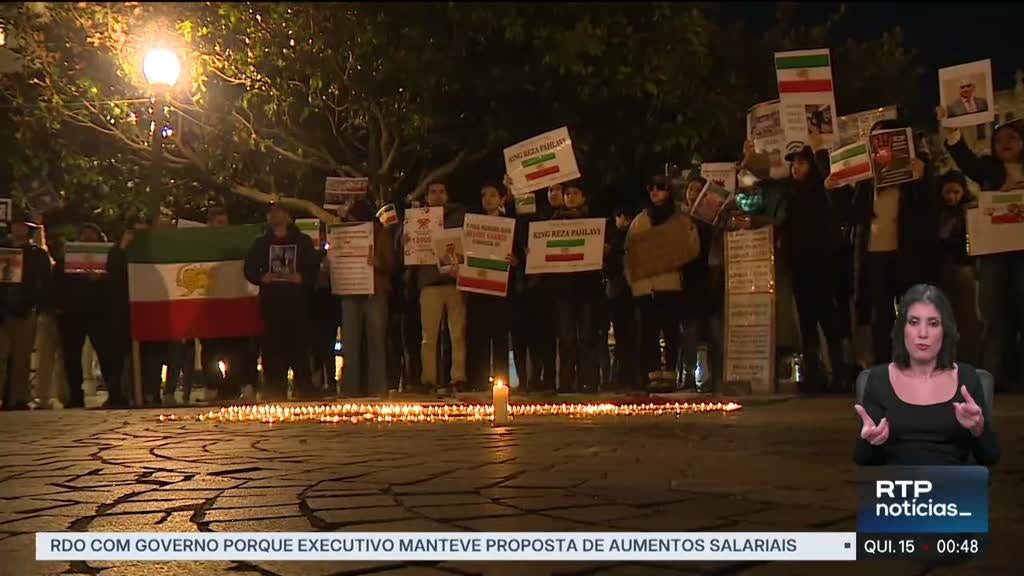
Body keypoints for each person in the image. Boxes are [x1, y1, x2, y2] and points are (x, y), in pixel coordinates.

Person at [853, 284, 999, 466]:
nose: (923, 333)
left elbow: (990, 457)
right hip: (897, 489)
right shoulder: (879, 378)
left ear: (945, 331)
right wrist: (870, 442)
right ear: (902, 329)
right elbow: (862, 460)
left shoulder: (966, 378)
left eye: (933, 323)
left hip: (952, 488)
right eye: (914, 322)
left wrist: (978, 429)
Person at [939, 111, 1024, 392]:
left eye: (1012, 138)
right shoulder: (989, 169)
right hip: (995, 254)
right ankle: (993, 375)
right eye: (999, 140)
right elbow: (967, 162)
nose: (1006, 143)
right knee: (994, 313)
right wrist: (951, 130)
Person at [781, 142, 849, 392]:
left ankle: (840, 371)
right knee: (807, 322)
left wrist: (820, 147)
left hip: (822, 263)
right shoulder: (791, 192)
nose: (795, 168)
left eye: (800, 162)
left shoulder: (822, 190)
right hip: (800, 265)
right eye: (793, 163)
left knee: (828, 318)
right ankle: (814, 373)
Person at [243, 203, 320, 401]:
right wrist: (262, 277)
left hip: (297, 303)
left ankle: (304, 386)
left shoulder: (302, 241)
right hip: (272, 303)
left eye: (278, 212)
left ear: (288, 216)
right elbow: (250, 268)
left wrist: (302, 277)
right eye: (271, 213)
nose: (274, 216)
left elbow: (313, 267)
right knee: (272, 347)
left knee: (299, 347)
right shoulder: (261, 243)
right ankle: (274, 387)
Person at [404, 180, 467, 395]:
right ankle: (428, 379)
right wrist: (403, 240)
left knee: (457, 333)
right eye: (433, 192)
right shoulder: (416, 218)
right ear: (427, 197)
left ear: (447, 196)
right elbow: (402, 247)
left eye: (442, 191)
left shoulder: (459, 217)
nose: (438, 195)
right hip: (429, 283)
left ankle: (458, 378)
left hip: (455, 282)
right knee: (428, 336)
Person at [626, 175, 687, 392]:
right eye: (651, 188)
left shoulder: (679, 219)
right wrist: (634, 283)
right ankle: (653, 375)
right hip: (645, 288)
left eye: (660, 188)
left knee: (671, 332)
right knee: (648, 334)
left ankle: (670, 375)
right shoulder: (640, 221)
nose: (655, 192)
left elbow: (690, 247)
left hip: (670, 285)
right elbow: (629, 254)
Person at [55, 222, 121, 409]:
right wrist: (59, 306)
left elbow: (117, 281)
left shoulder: (110, 259)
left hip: (99, 314)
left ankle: (114, 393)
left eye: (92, 236)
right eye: (84, 235)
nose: (87, 238)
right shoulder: (66, 259)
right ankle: (76, 395)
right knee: (72, 357)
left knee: (106, 355)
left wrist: (102, 278)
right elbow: (58, 280)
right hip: (72, 314)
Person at [549, 181, 603, 393]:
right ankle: (566, 382)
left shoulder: (593, 224)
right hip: (564, 289)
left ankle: (588, 381)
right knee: (566, 338)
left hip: (587, 288)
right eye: (567, 193)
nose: (570, 197)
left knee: (587, 337)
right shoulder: (552, 222)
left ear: (583, 197)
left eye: (575, 193)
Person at [338, 198, 395, 397]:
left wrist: (377, 262)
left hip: (375, 292)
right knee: (350, 342)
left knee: (376, 341)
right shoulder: (343, 233)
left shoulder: (381, 233)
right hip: (350, 290)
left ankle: (377, 389)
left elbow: (390, 264)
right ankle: (349, 389)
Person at [199, 207, 257, 401]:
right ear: (210, 224)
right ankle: (213, 386)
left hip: (234, 304)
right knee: (211, 350)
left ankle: (234, 386)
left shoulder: (236, 243)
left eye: (225, 222)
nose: (223, 227)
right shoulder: (200, 245)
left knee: (237, 348)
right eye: (218, 223)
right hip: (209, 307)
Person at [466, 183, 518, 391]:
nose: (487, 199)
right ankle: (477, 382)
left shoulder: (511, 224)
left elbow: (520, 252)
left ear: (501, 199)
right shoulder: (472, 225)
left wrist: (516, 260)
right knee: (478, 336)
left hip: (501, 288)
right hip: (478, 287)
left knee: (499, 337)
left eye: (492, 195)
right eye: (484, 195)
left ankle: (501, 382)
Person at [0, 214, 52, 410]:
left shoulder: (37, 254)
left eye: (22, 226)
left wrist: (35, 304)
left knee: (22, 356)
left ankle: (18, 398)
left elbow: (44, 283)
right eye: (15, 225)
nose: (18, 229)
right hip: (3, 310)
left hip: (26, 308)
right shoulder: (3, 249)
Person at [936, 172, 981, 364]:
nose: (952, 197)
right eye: (947, 192)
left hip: (964, 269)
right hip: (943, 270)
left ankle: (969, 360)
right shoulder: (938, 213)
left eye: (956, 191)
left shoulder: (970, 211)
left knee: (968, 318)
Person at [605, 206, 637, 390]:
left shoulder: (618, 239)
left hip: (622, 292)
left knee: (623, 337)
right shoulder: (619, 239)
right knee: (628, 337)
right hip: (628, 291)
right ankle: (627, 376)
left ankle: (623, 377)